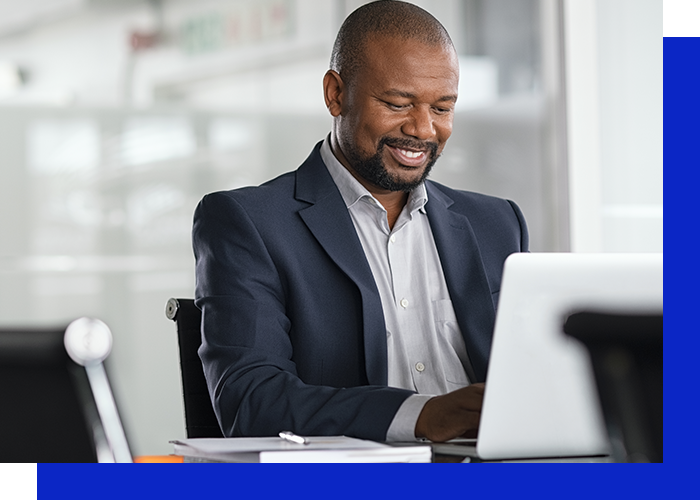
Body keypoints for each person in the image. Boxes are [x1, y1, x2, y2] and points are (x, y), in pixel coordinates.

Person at [192, 0, 528, 443]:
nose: (424, 129)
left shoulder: (497, 223)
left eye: (443, 109)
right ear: (336, 94)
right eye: (397, 103)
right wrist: (421, 415)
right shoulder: (249, 223)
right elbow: (253, 401)